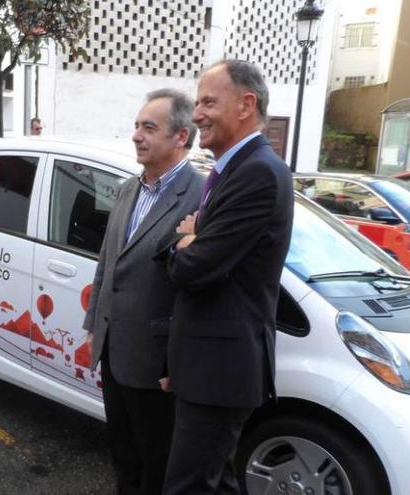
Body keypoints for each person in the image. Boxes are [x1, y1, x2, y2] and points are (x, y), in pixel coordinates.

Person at [161, 60, 293, 494]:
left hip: (221, 371)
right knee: (214, 482)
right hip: (209, 367)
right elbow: (189, 249)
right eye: (197, 102)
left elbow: (193, 267)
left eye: (208, 102)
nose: (196, 114)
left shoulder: (257, 172)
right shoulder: (233, 169)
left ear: (245, 105)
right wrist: (189, 238)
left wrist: (188, 241)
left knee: (189, 485)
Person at [83, 89, 204, 495]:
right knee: (123, 454)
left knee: (158, 463)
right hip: (114, 347)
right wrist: (93, 324)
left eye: (149, 128)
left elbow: (198, 284)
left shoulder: (201, 195)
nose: (136, 135)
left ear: (181, 137)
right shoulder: (126, 190)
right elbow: (108, 261)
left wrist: (177, 357)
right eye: (136, 126)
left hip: (158, 363)